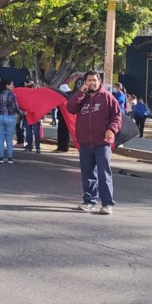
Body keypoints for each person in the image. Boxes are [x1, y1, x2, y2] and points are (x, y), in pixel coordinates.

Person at [66, 71, 122, 215]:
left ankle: (107, 204)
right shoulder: (82, 98)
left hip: (102, 143)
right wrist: (80, 92)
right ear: (85, 82)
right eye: (89, 80)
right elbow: (70, 108)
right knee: (87, 173)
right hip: (85, 143)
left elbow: (117, 116)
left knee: (104, 174)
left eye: (95, 80)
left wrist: (112, 129)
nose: (92, 82)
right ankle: (89, 201)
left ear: (99, 81)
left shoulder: (108, 98)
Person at [0, 79, 23, 163]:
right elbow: (15, 108)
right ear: (7, 85)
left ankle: (0, 158)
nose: (13, 86)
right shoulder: (12, 95)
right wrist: (23, 113)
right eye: (11, 85)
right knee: (9, 139)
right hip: (9, 117)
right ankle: (10, 158)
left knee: (0, 138)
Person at [53, 83, 72, 152]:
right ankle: (62, 147)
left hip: (63, 117)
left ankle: (63, 148)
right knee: (63, 133)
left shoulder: (65, 97)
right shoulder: (70, 96)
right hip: (63, 117)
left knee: (63, 133)